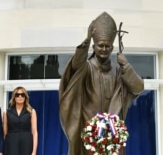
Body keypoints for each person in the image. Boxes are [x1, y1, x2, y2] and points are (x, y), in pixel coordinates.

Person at [59, 12, 144, 155]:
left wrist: (127, 67)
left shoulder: (118, 72)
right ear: (94, 47)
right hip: (88, 133)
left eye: (107, 46)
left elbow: (138, 88)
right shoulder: (86, 68)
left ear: (112, 48)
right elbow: (75, 66)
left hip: (111, 135)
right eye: (100, 45)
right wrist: (86, 40)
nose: (104, 49)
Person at [2, 87, 38, 155]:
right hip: (11, 143)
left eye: (22, 95)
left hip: (26, 142)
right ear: (14, 97)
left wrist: (34, 152)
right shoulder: (6, 112)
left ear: (25, 97)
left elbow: (35, 132)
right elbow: (5, 133)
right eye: (17, 95)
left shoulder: (31, 112)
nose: (20, 96)